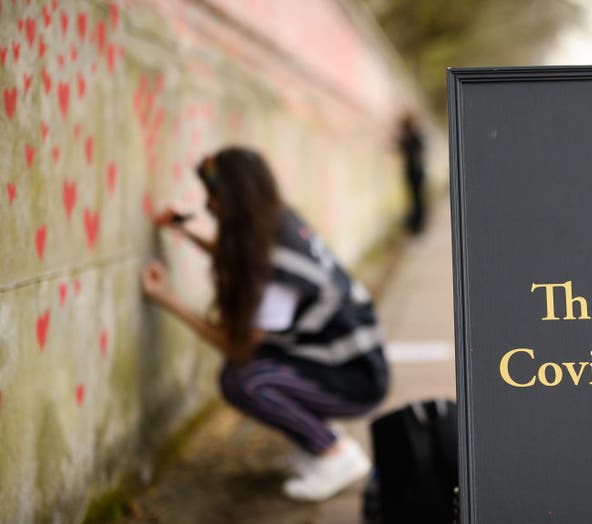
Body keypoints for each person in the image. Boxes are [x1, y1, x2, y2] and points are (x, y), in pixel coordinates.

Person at [140, 146, 389, 502]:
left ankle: (336, 454)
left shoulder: (275, 264)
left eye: (213, 196)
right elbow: (245, 257)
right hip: (348, 358)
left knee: (243, 379)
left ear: (236, 199)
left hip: (356, 376)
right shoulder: (279, 221)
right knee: (251, 371)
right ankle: (320, 440)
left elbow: (238, 346)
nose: (208, 205)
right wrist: (189, 229)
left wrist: (167, 298)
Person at [398, 113, 426, 234]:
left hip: (416, 173)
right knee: (416, 199)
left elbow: (409, 147)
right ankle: (416, 225)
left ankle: (417, 226)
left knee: (417, 200)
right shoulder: (412, 137)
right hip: (414, 173)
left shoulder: (414, 137)